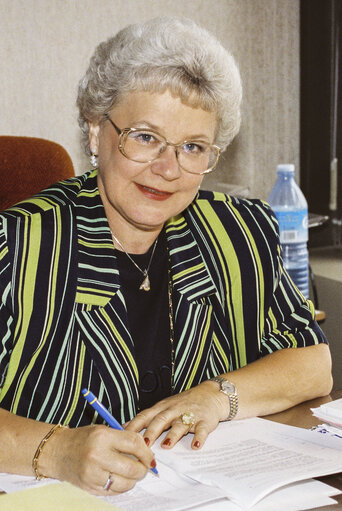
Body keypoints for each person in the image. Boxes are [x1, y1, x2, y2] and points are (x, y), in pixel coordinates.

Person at [0, 16, 332, 496]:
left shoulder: (239, 232)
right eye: (145, 137)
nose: (166, 168)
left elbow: (313, 362)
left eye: (192, 147)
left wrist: (217, 398)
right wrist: (57, 450)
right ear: (96, 133)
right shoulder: (19, 245)